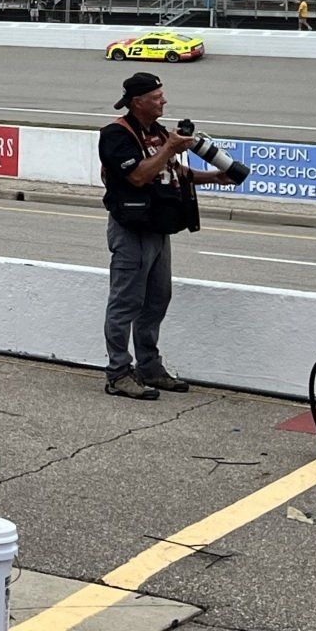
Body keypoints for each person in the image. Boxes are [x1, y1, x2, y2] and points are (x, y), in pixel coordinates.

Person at [99, 71, 227, 400]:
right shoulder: (116, 135)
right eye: (157, 97)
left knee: (156, 300)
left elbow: (173, 171)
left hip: (158, 228)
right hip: (131, 229)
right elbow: (140, 175)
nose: (164, 102)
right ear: (138, 101)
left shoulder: (155, 132)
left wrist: (214, 176)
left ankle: (149, 368)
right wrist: (170, 147)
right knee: (125, 304)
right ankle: (118, 374)